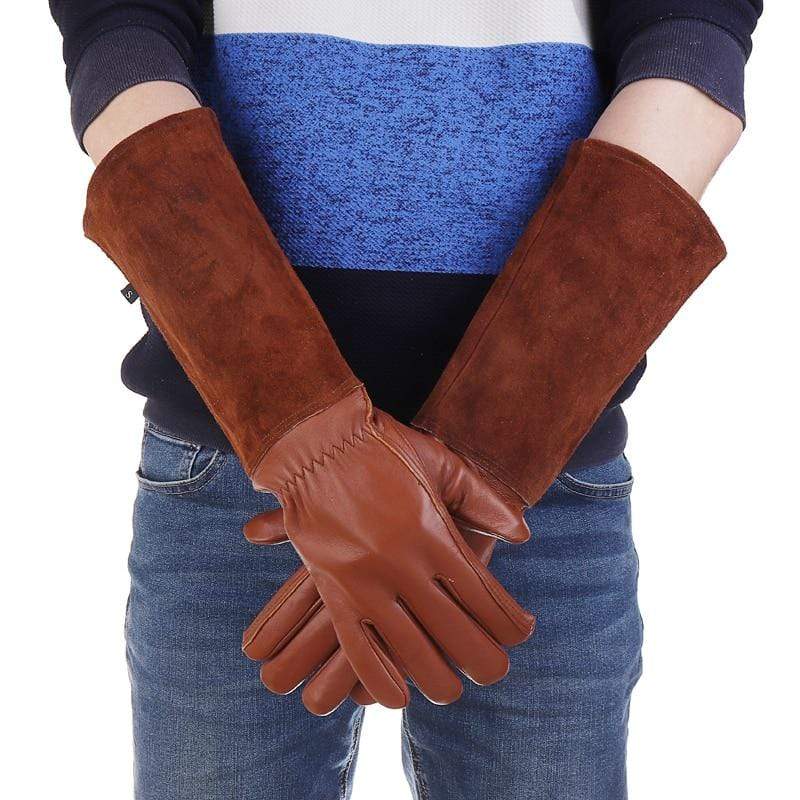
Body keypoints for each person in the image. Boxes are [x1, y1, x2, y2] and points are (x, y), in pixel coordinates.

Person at [49, 2, 762, 798]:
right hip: (235, 466)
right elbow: (121, 33)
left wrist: (491, 446)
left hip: (533, 488)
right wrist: (301, 430)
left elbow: (691, 43)